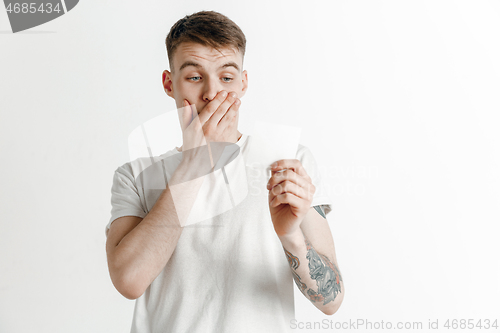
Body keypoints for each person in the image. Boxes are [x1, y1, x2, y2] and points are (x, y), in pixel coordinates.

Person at [105, 10, 344, 333]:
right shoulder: (135, 174)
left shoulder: (287, 159)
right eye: (193, 77)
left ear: (243, 83)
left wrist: (290, 236)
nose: (211, 93)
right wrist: (195, 163)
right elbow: (129, 281)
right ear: (168, 83)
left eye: (227, 78)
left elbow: (331, 301)